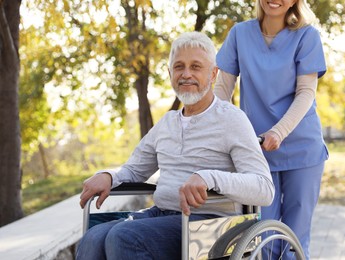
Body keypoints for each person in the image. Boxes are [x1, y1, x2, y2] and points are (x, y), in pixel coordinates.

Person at [76, 31, 275, 260]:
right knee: (94, 237)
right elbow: (134, 170)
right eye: (179, 67)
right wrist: (109, 177)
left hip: (210, 222)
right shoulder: (167, 123)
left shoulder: (232, 120)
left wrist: (208, 177)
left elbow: (264, 189)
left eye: (196, 67)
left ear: (213, 74)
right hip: (161, 215)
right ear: (170, 73)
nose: (186, 74)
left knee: (123, 236)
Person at [215, 0, 328, 259]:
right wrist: (217, 129)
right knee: (260, 239)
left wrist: (278, 132)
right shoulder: (240, 34)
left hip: (302, 149)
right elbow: (222, 90)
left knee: (293, 240)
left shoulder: (307, 36)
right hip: (256, 151)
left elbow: (306, 93)